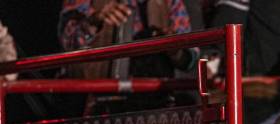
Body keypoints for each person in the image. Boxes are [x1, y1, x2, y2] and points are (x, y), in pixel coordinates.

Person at [59, 0, 197, 79]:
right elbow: (68, 43)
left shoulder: (169, 2)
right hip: (100, 105)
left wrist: (175, 51)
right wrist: (95, 21)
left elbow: (191, 58)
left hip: (155, 105)